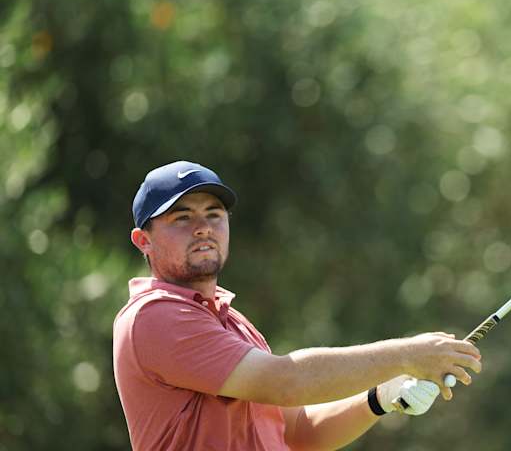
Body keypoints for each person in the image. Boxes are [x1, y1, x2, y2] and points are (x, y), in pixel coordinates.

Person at [113, 161, 482, 450]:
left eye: (214, 214)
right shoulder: (154, 315)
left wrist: (381, 396)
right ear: (143, 240)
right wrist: (405, 354)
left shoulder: (231, 321)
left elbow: (300, 430)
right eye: (182, 217)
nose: (203, 227)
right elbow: (286, 382)